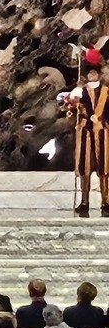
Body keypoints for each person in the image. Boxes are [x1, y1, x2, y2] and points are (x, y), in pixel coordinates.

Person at [68, 56, 109, 217]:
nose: (92, 76)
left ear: (98, 74)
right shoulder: (81, 91)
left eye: (94, 73)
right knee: (84, 169)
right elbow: (73, 110)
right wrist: (73, 105)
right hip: (85, 133)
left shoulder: (106, 91)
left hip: (101, 132)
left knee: (103, 169)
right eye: (89, 73)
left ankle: (105, 202)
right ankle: (84, 202)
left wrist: (102, 120)